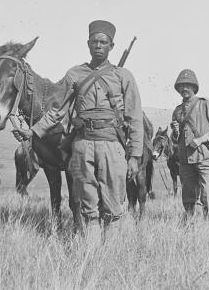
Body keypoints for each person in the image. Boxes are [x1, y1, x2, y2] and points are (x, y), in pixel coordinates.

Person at [20, 20, 144, 243]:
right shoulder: (74, 74)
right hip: (82, 145)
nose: (98, 46)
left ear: (111, 46)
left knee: (113, 204)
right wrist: (33, 132)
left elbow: (134, 117)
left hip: (112, 145)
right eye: (94, 41)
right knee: (87, 204)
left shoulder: (123, 76)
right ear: (88, 44)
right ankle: (92, 254)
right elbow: (58, 111)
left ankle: (111, 256)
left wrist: (135, 156)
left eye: (103, 42)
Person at [169, 69, 209, 221]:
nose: (184, 88)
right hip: (185, 161)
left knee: (208, 196)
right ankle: (189, 226)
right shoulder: (177, 111)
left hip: (205, 159)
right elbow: (176, 140)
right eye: (181, 86)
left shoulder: (206, 105)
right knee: (187, 197)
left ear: (194, 87)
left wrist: (201, 140)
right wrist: (175, 132)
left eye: (188, 85)